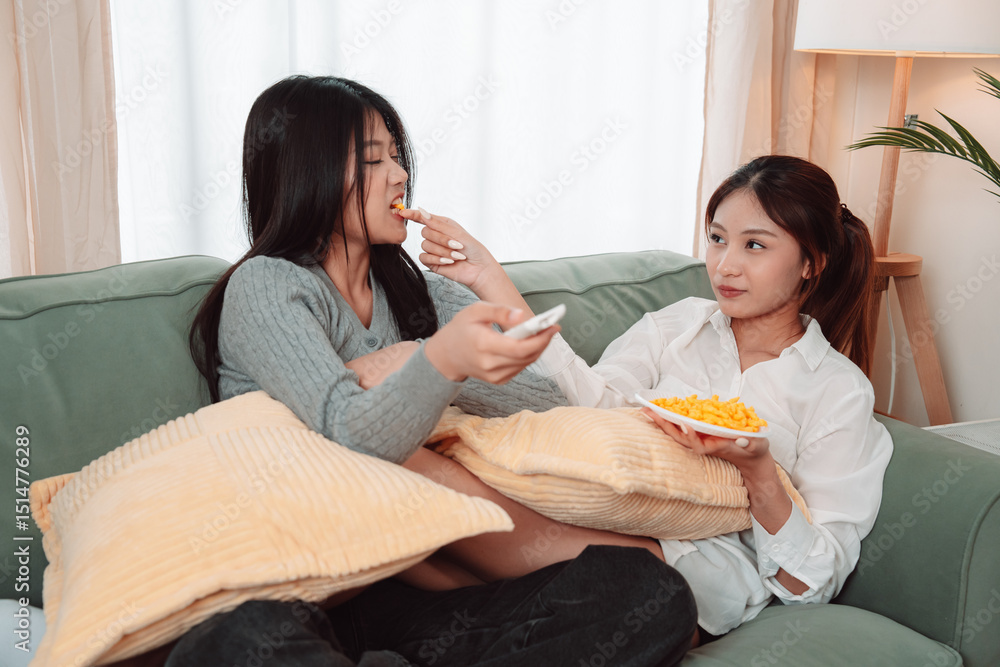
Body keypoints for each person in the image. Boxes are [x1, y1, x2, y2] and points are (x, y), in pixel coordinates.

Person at [169, 75, 696, 666]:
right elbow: (350, 431)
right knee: (234, 640)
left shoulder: (420, 293)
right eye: (374, 159)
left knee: (648, 591)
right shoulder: (268, 285)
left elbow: (548, 403)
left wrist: (461, 312)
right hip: (311, 593)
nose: (400, 175)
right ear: (308, 173)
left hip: (425, 595)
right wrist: (431, 360)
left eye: (397, 156)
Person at [410, 155, 894, 640]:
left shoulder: (839, 392)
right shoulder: (675, 326)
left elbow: (810, 582)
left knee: (433, 500)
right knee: (410, 473)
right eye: (717, 239)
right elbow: (587, 408)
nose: (725, 265)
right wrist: (489, 279)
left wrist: (758, 470)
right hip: (600, 519)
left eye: (754, 245)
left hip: (681, 573)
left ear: (812, 262)